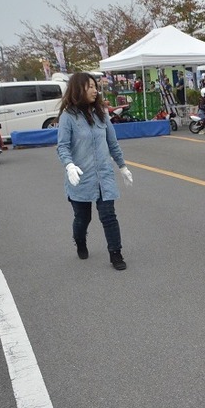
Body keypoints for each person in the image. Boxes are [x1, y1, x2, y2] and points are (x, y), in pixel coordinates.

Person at [56, 72, 133, 271]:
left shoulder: (102, 113)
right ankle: (80, 240)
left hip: (104, 175)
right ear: (78, 89)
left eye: (94, 86)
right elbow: (62, 146)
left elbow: (112, 143)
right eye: (89, 86)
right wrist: (69, 165)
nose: (94, 90)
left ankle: (115, 253)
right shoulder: (68, 117)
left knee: (109, 215)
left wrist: (122, 166)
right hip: (80, 176)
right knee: (83, 218)